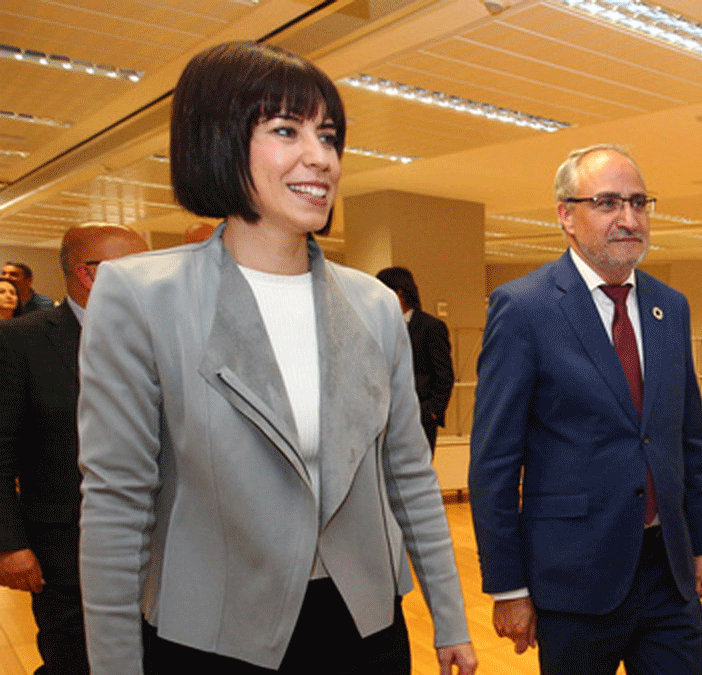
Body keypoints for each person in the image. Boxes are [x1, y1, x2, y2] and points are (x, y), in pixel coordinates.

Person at [76, 41, 476, 675]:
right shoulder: (141, 296)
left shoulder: (372, 304)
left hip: (362, 626)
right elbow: (117, 502)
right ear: (219, 141)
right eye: (286, 130)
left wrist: (450, 619)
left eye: (329, 135)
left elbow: (408, 476)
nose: (320, 157)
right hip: (214, 635)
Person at [469, 144, 702, 675]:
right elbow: (494, 462)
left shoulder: (669, 307)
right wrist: (509, 586)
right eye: (607, 203)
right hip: (574, 578)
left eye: (638, 203)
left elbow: (688, 438)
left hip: (668, 573)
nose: (628, 219)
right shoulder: (524, 308)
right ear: (566, 214)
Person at [0, 223, 149, 675]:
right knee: (75, 661)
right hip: (67, 550)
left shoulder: (156, 336)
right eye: (138, 268)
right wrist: (11, 546)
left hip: (155, 547)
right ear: (89, 274)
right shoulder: (21, 341)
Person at [376, 267, 454, 456]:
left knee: (417, 477)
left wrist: (431, 412)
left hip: (419, 418)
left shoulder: (431, 327)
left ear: (398, 293)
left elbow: (444, 375)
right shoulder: (379, 325)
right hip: (384, 420)